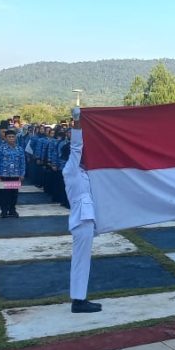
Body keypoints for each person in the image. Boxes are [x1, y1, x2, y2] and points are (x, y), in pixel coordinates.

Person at [64, 109, 102, 313]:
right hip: (81, 220)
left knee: (83, 261)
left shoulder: (84, 173)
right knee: (80, 261)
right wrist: (78, 121)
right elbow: (77, 146)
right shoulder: (70, 170)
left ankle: (80, 298)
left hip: (86, 219)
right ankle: (78, 301)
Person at [0, 129, 26, 218]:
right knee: (4, 194)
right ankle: (4, 210)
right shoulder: (0, 148)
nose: (11, 138)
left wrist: (22, 174)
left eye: (13, 137)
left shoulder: (19, 149)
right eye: (9, 137)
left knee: (14, 194)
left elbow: (22, 162)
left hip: (15, 174)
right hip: (4, 175)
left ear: (15, 138)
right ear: (5, 138)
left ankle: (12, 210)